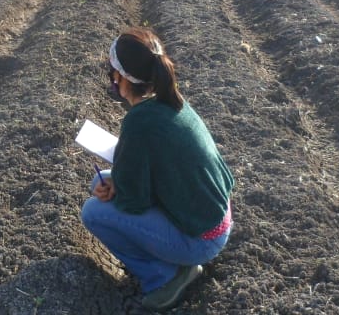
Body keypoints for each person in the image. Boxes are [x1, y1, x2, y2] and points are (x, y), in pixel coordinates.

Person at [81, 27, 234, 311]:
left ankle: (165, 276)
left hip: (201, 239)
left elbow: (134, 202)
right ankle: (169, 260)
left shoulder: (139, 122)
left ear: (121, 77)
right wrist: (119, 182)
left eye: (112, 71)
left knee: (93, 212)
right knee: (99, 182)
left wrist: (120, 188)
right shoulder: (170, 99)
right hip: (213, 215)